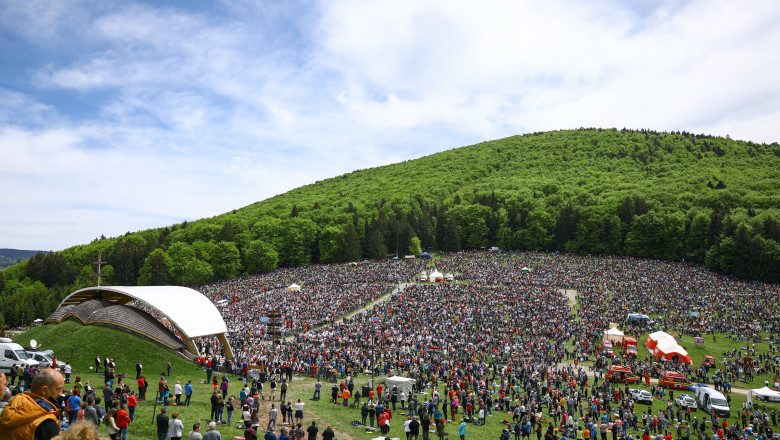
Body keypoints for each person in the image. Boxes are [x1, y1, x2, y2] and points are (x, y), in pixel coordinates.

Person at [0, 368, 63, 440]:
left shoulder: (12, 405)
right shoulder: (47, 422)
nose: (61, 393)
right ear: (44, 390)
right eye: (58, 389)